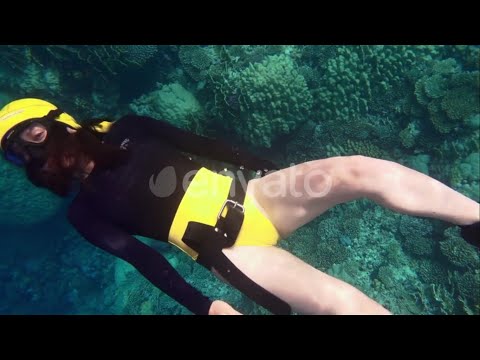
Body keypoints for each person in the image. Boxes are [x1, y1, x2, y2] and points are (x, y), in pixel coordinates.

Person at [0, 98, 478, 315]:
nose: (31, 154)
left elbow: (207, 145)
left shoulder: (131, 127)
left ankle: (475, 219)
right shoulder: (84, 214)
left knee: (358, 170)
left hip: (254, 195)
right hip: (229, 252)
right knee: (339, 304)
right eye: (18, 153)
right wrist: (205, 306)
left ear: (57, 120)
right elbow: (142, 260)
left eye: (32, 135)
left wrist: (272, 169)